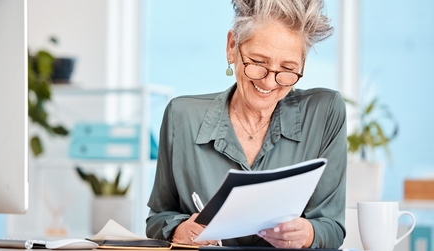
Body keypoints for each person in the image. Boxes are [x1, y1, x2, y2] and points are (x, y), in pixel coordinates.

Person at [146, 0, 346, 249]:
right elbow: (158, 218)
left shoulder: (325, 112)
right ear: (232, 47)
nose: (270, 83)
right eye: (258, 63)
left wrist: (308, 233)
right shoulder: (182, 117)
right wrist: (180, 230)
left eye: (287, 68)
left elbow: (333, 228)